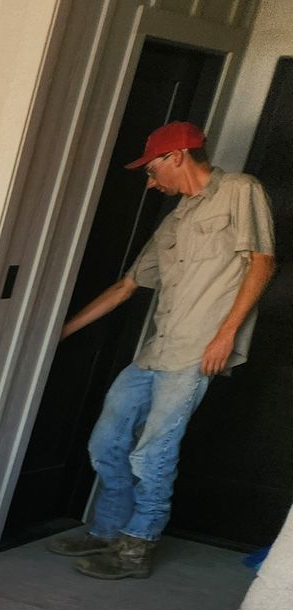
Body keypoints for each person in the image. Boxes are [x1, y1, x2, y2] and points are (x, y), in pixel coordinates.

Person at [50, 120, 276, 578]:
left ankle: (137, 548)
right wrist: (59, 332)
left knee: (152, 453)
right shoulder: (174, 219)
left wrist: (226, 334)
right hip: (155, 352)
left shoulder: (239, 190)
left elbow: (263, 262)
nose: (151, 184)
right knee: (106, 442)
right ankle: (107, 530)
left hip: (198, 352)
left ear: (177, 156)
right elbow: (127, 286)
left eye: (152, 172)